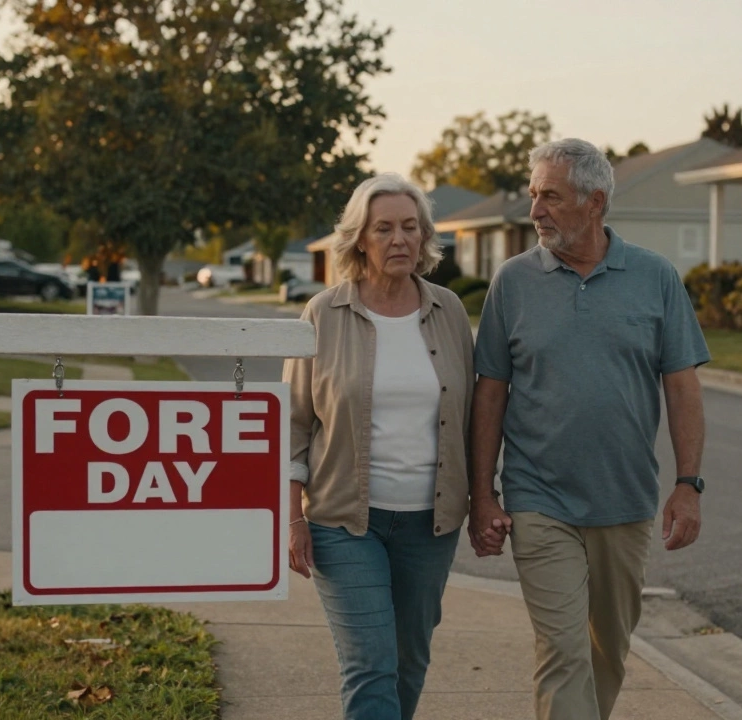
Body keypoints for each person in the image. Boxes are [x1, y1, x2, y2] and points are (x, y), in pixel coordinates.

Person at [468, 139, 710, 720]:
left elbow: (681, 386)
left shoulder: (654, 276)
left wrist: (688, 484)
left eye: (550, 196)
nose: (535, 211)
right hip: (538, 497)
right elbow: (491, 392)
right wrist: (483, 493)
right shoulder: (513, 282)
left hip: (623, 500)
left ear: (595, 201)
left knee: (609, 651)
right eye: (533, 195)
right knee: (563, 649)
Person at [282, 173, 475, 720]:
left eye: (410, 228)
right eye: (384, 228)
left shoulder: (449, 312)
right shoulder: (324, 314)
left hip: (429, 524)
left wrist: (484, 497)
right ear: (359, 239)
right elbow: (293, 424)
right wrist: (291, 519)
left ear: (424, 237)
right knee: (370, 662)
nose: (400, 240)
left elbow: (473, 418)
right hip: (343, 520)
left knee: (409, 660)